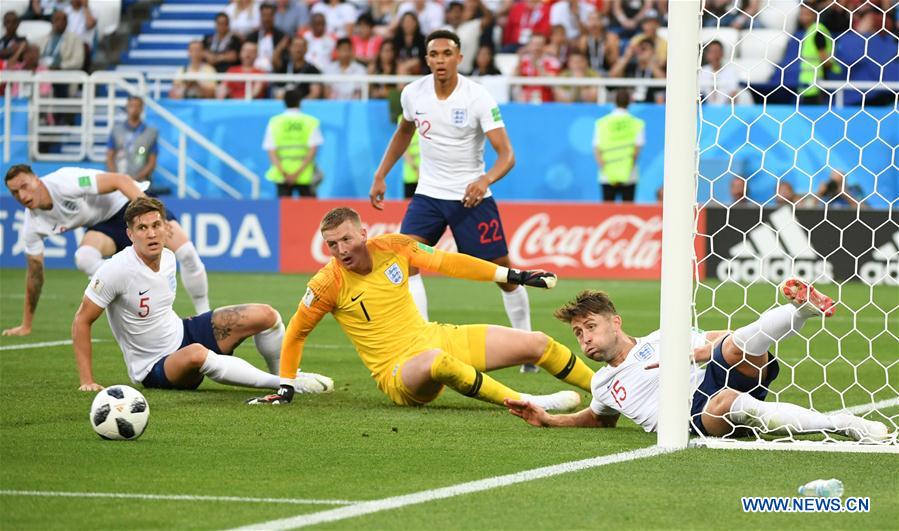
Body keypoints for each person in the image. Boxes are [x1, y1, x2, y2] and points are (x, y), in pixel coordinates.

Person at [247, 207, 595, 408]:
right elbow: (296, 331)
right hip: (399, 373)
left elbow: (450, 262)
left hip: (433, 337)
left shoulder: (395, 246)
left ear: (363, 233)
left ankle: (609, 390)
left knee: (536, 342)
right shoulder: (327, 284)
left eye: (346, 239)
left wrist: (514, 274)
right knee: (436, 362)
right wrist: (286, 385)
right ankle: (527, 402)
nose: (340, 249)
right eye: (331, 244)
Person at [505, 284, 890, 444]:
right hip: (693, 414)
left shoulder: (663, 337)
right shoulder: (603, 384)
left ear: (615, 322)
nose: (585, 338)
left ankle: (801, 310)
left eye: (591, 326)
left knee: (736, 346)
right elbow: (599, 417)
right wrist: (549, 418)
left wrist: (700, 351)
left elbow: (717, 337)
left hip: (719, 375)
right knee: (723, 399)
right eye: (578, 333)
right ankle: (844, 424)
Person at [369, 30, 542, 374]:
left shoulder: (477, 97)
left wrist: (485, 180)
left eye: (447, 53)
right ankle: (421, 343)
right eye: (434, 54)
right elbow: (405, 130)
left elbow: (507, 155)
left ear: (459, 58)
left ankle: (527, 346)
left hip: (470, 199)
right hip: (428, 194)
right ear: (427, 59)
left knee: (504, 274)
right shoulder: (413, 94)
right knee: (407, 260)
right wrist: (381, 173)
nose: (440, 60)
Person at [72, 196, 333, 394]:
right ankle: (286, 384)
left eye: (156, 225)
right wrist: (87, 381)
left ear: (166, 228)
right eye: (142, 228)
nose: (151, 233)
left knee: (266, 314)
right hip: (155, 367)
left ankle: (286, 373)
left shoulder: (169, 258)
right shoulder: (116, 270)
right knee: (197, 353)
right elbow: (82, 320)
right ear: (129, 234)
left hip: (183, 332)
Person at [2, 164, 211, 337]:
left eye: (24, 186)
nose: (22, 195)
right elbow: (35, 274)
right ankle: (129, 290)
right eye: (14, 192)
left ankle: (205, 318)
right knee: (84, 257)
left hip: (131, 203)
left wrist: (151, 214)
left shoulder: (65, 182)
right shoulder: (32, 225)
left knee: (187, 254)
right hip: (104, 225)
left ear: (37, 180)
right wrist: (26, 324)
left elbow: (120, 180)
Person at [263, 88, 323, 198]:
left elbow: (271, 151)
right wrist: (297, 173)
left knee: (283, 213)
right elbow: (313, 150)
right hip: (305, 174)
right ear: (300, 102)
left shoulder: (275, 122)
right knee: (310, 213)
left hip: (282, 175)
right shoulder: (310, 122)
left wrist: (285, 173)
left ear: (284, 102)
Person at [593, 89, 645, 202]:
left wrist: (608, 171)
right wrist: (625, 170)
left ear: (614, 101)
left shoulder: (602, 123)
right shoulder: (636, 123)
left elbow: (597, 149)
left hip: (607, 175)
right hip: (629, 175)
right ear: (630, 102)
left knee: (607, 214)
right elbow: (636, 151)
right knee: (628, 214)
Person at [106, 96, 158, 185]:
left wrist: (136, 179)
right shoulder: (116, 130)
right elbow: (109, 157)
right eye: (131, 106)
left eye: (137, 106)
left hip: (141, 181)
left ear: (142, 109)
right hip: (119, 180)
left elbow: (152, 162)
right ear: (127, 107)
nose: (134, 109)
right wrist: (117, 178)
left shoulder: (150, 133)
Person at [797, 3, 841, 104]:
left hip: (817, 82)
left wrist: (827, 73)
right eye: (801, 14)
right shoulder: (809, 31)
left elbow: (825, 59)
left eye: (806, 14)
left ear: (814, 15)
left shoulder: (817, 32)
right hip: (808, 83)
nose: (803, 17)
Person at [246, 2, 289, 73]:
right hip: (253, 73)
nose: (266, 19)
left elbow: (281, 63)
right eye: (264, 15)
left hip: (275, 74)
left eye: (270, 15)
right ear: (260, 17)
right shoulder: (252, 36)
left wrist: (278, 49)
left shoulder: (281, 36)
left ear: (274, 17)